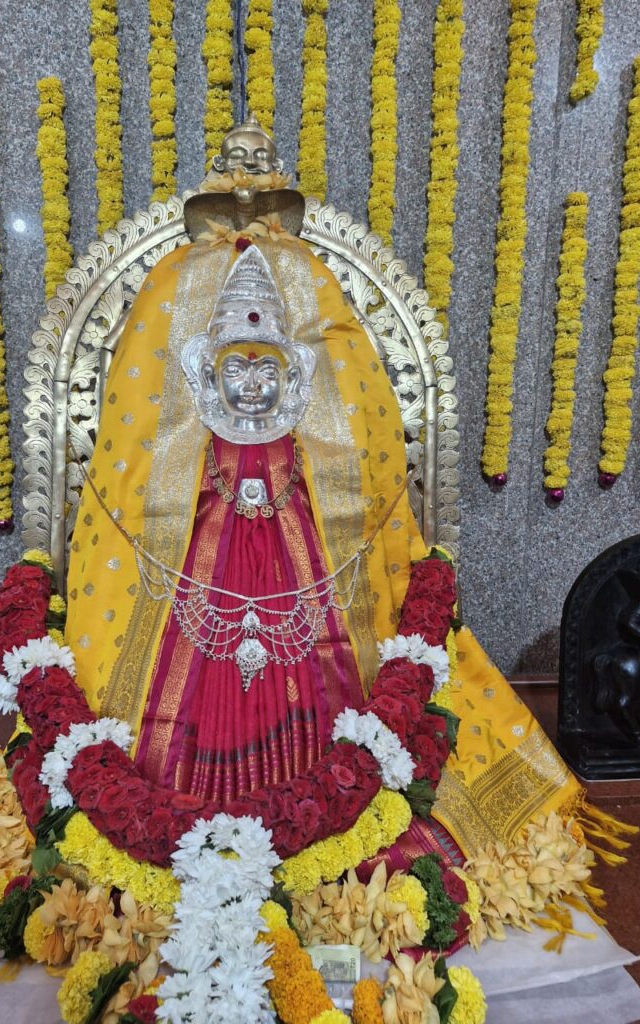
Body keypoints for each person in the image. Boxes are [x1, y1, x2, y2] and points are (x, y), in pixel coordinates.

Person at [64, 118, 605, 858]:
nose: (251, 386)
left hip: (309, 574)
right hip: (189, 583)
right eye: (235, 368)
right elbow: (133, 474)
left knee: (344, 662)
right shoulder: (179, 384)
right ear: (202, 375)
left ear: (296, 374)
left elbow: (359, 461)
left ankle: (338, 814)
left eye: (267, 368)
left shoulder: (312, 339)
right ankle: (171, 826)